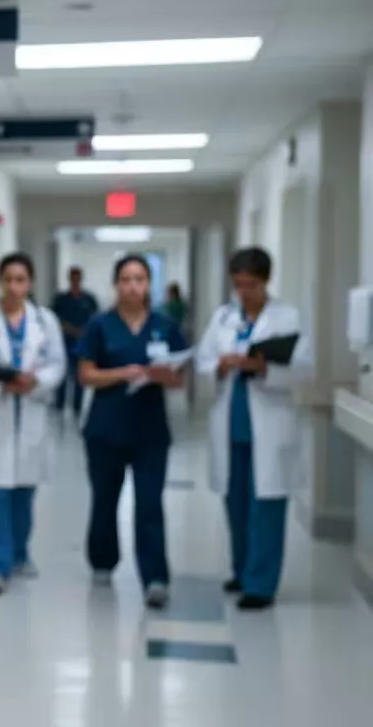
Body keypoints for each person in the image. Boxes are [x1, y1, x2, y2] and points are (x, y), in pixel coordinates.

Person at [195, 247, 312, 610]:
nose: (244, 292)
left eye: (251, 285)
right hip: (231, 425)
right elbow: (202, 361)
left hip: (270, 424)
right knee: (236, 504)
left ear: (266, 281)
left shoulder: (287, 318)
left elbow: (303, 369)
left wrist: (261, 368)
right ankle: (242, 570)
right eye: (238, 285)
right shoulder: (223, 317)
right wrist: (221, 365)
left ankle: (260, 585)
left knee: (266, 506)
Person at [76, 254, 188, 608]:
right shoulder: (100, 324)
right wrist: (122, 374)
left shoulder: (165, 325)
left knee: (150, 505)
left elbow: (179, 379)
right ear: (116, 285)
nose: (133, 286)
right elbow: (85, 374)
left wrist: (163, 375)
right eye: (126, 279)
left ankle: (155, 578)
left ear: (149, 284)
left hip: (150, 432)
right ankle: (103, 561)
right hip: (105, 429)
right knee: (105, 501)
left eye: (139, 279)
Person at [0, 253, 65, 595]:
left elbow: (57, 364)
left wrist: (36, 381)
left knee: (22, 495)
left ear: (30, 283)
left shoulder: (45, 321)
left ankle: (19, 554)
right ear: (0, 282)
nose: (14, 286)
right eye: (8, 279)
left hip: (30, 414)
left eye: (21, 280)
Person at [51, 267, 99, 415]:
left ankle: (77, 407)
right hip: (64, 342)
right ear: (69, 279)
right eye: (73, 278)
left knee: (80, 376)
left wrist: (85, 333)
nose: (75, 281)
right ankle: (59, 406)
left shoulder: (89, 300)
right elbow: (54, 320)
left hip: (82, 344)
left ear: (81, 279)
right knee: (63, 375)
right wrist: (71, 330)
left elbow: (95, 319)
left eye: (78, 278)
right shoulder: (61, 300)